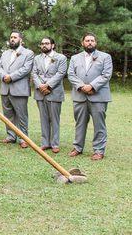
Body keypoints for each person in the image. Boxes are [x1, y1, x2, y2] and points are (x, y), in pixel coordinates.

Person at [67, 32, 112, 160]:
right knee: (79, 123)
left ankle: (98, 150)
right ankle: (77, 147)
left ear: (96, 43)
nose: (90, 42)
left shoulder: (105, 57)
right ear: (82, 43)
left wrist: (91, 86)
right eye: (87, 40)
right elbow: (71, 75)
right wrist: (82, 86)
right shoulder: (75, 58)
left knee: (99, 124)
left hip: (98, 96)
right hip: (80, 96)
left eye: (92, 40)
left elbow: (106, 75)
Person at [0, 31, 34, 148]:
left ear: (21, 40)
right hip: (5, 88)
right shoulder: (5, 53)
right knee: (8, 114)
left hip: (19, 89)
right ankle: (11, 136)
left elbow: (26, 69)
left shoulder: (28, 53)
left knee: (21, 115)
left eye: (15, 37)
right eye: (11, 37)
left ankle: (23, 138)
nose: (12, 39)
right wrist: (3, 76)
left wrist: (11, 77)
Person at [32, 37, 67, 153]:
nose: (44, 45)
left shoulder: (61, 58)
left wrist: (48, 85)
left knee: (54, 119)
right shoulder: (37, 58)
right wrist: (40, 86)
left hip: (54, 92)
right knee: (43, 118)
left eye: (47, 43)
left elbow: (61, 73)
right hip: (40, 92)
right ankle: (45, 142)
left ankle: (55, 143)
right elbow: (34, 73)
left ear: (52, 45)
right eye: (42, 44)